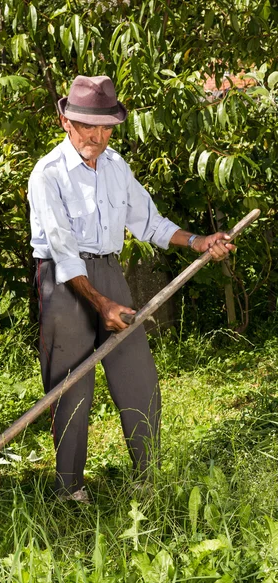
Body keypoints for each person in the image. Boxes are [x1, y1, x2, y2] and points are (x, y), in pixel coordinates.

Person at [28, 75, 234, 503]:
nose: (99, 137)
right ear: (66, 121)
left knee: (138, 376)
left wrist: (198, 241)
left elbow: (149, 222)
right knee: (71, 387)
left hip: (108, 275)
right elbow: (65, 254)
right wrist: (100, 303)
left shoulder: (116, 165)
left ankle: (149, 477)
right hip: (64, 285)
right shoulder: (48, 174)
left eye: (106, 127)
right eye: (89, 126)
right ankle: (70, 491)